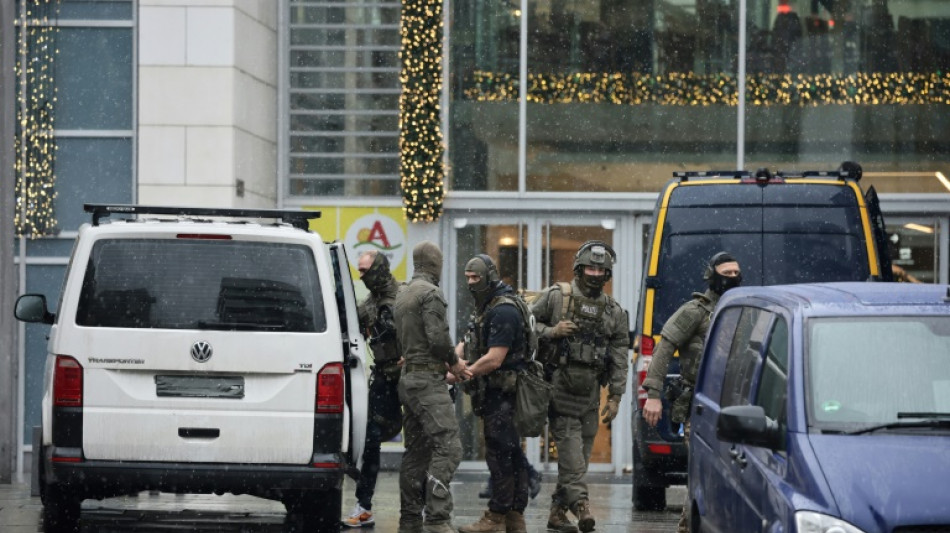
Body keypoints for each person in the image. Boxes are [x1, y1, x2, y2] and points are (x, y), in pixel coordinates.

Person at [530, 241, 629, 533]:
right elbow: (525, 325)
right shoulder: (557, 297)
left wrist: (616, 396)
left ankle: (557, 514)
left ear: (608, 273)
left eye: (601, 269)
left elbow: (620, 355)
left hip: (590, 395)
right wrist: (552, 331)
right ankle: (581, 506)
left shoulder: (614, 311)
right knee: (573, 455)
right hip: (558, 391)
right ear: (578, 268)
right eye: (590, 268)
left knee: (580, 460)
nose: (595, 274)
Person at [641, 251, 742, 533]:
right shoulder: (695, 312)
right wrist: (653, 395)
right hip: (699, 404)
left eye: (736, 273)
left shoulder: (743, 312)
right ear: (712, 276)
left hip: (736, 408)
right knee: (703, 472)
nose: (732, 279)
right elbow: (663, 348)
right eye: (726, 274)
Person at [394, 241, 469, 533]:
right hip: (427, 383)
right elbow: (437, 339)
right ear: (435, 264)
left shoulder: (402, 293)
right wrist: (455, 363)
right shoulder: (431, 294)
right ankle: (438, 520)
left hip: (408, 381)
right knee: (449, 447)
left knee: (416, 451)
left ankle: (410, 519)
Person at [455, 255, 531, 533]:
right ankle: (514, 516)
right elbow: (468, 340)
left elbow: (495, 358)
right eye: (468, 278)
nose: (471, 283)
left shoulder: (503, 310)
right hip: (495, 393)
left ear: (488, 276)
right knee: (509, 452)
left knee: (502, 452)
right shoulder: (487, 307)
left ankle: (498, 514)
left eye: (476, 278)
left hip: (505, 393)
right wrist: (452, 362)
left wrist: (466, 372)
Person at [343, 250, 404, 528]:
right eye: (359, 270)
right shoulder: (369, 304)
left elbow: (430, 333)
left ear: (379, 268)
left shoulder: (406, 297)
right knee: (370, 440)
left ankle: (422, 507)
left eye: (366, 270)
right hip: (384, 379)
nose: (362, 276)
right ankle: (364, 505)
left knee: (425, 441)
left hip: (414, 377)